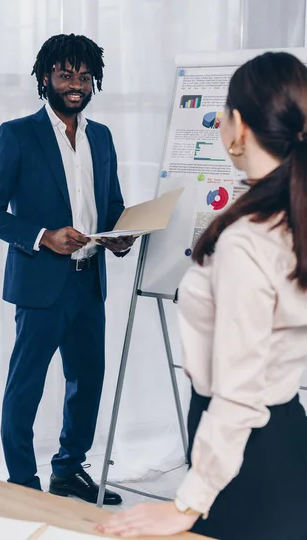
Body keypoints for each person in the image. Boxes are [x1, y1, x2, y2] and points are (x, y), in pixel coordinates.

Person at [98, 51, 307, 539]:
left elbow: (238, 395)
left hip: (244, 452)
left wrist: (185, 505)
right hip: (286, 433)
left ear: (236, 126)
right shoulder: (292, 217)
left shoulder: (247, 239)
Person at [0, 33, 134, 505]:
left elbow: (113, 205)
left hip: (89, 281)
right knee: (27, 385)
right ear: (46, 78)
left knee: (88, 380)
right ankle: (23, 483)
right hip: (42, 284)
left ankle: (67, 471)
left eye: (85, 77)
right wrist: (44, 236)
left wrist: (119, 234)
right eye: (66, 75)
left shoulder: (100, 137)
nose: (76, 85)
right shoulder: (17, 134)